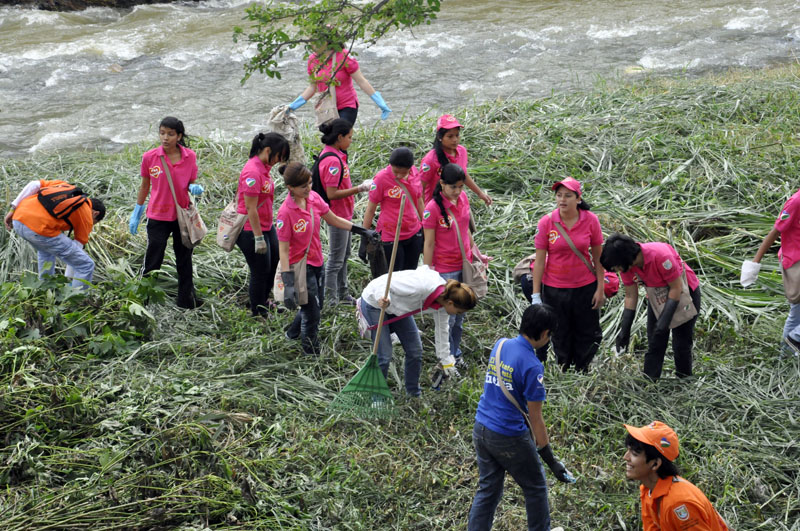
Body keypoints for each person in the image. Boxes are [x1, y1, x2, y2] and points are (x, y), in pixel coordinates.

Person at [468, 304, 575, 531]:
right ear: (545, 333)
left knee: (488, 489)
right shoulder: (533, 367)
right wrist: (551, 460)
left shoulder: (500, 344)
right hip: (508, 436)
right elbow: (536, 418)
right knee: (535, 487)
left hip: (481, 427)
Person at [276, 162, 377, 355]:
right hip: (300, 267)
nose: (308, 188)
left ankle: (292, 333)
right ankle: (310, 352)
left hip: (317, 261)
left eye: (310, 183)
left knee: (316, 304)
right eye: (303, 186)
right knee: (312, 313)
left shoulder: (313, 198)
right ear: (290, 188)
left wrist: (362, 231)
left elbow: (334, 219)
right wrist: (288, 282)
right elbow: (284, 249)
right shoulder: (285, 213)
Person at [359, 264, 477, 396]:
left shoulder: (443, 305)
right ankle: (377, 396)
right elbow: (385, 282)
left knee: (415, 351)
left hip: (399, 309)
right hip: (376, 302)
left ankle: (413, 393)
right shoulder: (422, 286)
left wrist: (446, 361)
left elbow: (442, 332)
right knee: (384, 355)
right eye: (459, 311)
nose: (457, 314)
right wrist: (382, 297)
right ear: (450, 303)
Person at [601, 233, 701, 380]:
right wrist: (625, 330)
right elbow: (630, 296)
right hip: (658, 297)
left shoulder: (660, 256)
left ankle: (684, 379)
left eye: (616, 266)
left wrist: (663, 322)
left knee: (681, 342)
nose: (618, 270)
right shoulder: (628, 267)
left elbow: (676, 288)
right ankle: (650, 382)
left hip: (684, 293)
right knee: (655, 341)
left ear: (624, 259)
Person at [129, 116, 204, 309]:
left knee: (184, 259)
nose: (165, 137)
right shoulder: (150, 157)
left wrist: (194, 188)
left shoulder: (190, 157)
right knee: (153, 259)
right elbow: (145, 186)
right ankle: (143, 301)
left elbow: (191, 182)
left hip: (182, 216)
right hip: (157, 216)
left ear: (179, 136)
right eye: (162, 133)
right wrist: (137, 212)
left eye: (170, 134)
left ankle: (186, 300)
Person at [531, 177, 605, 372]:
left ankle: (583, 368)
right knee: (560, 332)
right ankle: (563, 368)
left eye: (568, 196)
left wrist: (600, 288)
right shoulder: (547, 222)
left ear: (578, 199)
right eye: (559, 195)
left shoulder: (591, 220)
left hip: (585, 287)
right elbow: (539, 261)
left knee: (587, 331)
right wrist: (536, 295)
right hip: (555, 289)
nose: (562, 200)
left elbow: (599, 258)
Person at [623, 421, 729, 530]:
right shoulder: (648, 491)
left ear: (655, 464)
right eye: (628, 450)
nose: (625, 457)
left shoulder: (679, 503)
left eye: (634, 454)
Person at [5, 179, 105, 289]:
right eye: (94, 222)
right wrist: (69, 279)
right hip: (39, 230)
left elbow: (34, 184)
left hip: (18, 219)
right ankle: (77, 297)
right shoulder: (86, 215)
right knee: (85, 265)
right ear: (95, 213)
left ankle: (45, 289)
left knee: (46, 251)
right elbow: (77, 249)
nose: (91, 225)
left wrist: (13, 209)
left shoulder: (66, 187)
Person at [422, 163, 474, 368]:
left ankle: (456, 352)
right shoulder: (432, 209)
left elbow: (465, 229)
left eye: (461, 187)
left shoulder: (463, 199)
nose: (458, 191)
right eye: (453, 187)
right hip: (445, 270)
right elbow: (428, 243)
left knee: (460, 314)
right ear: (442, 184)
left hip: (464, 264)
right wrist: (427, 271)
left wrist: (475, 253)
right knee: (446, 319)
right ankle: (446, 359)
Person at [316, 119, 371, 306]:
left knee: (344, 255)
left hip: (344, 213)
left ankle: (343, 294)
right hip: (337, 215)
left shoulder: (336, 155)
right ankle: (331, 300)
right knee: (335, 260)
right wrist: (359, 188)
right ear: (339, 137)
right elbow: (332, 193)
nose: (351, 141)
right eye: (349, 137)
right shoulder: (332, 161)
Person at [235, 132, 290, 318]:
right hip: (251, 230)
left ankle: (264, 301)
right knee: (260, 271)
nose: (279, 161)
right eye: (279, 156)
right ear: (267, 150)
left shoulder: (264, 168)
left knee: (273, 263)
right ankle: (258, 311)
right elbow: (250, 208)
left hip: (266, 225)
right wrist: (258, 238)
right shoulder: (252, 171)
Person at [741, 187, 800, 355]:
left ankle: (787, 355)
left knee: (797, 312)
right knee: (796, 309)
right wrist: (755, 262)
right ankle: (795, 339)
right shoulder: (796, 202)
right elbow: (775, 231)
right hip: (795, 261)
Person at [287, 40, 391, 125]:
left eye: (316, 41)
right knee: (329, 140)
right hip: (326, 108)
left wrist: (380, 102)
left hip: (347, 105)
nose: (312, 44)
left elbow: (361, 81)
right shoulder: (312, 60)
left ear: (327, 41)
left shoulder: (344, 56)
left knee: (339, 135)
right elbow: (312, 87)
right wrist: (292, 106)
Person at [363, 147, 425, 272]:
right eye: (396, 171)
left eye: (403, 173)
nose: (398, 175)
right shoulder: (381, 179)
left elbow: (419, 201)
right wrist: (364, 237)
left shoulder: (415, 173)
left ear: (410, 168)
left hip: (413, 232)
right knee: (395, 275)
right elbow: (370, 210)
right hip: (391, 236)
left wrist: (425, 226)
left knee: (411, 273)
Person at [418, 114, 492, 206]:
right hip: (435, 206)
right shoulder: (430, 160)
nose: (455, 140)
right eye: (450, 136)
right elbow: (420, 188)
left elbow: (463, 174)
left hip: (454, 203)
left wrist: (480, 193)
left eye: (457, 135)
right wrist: (423, 211)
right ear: (440, 137)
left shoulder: (462, 151)